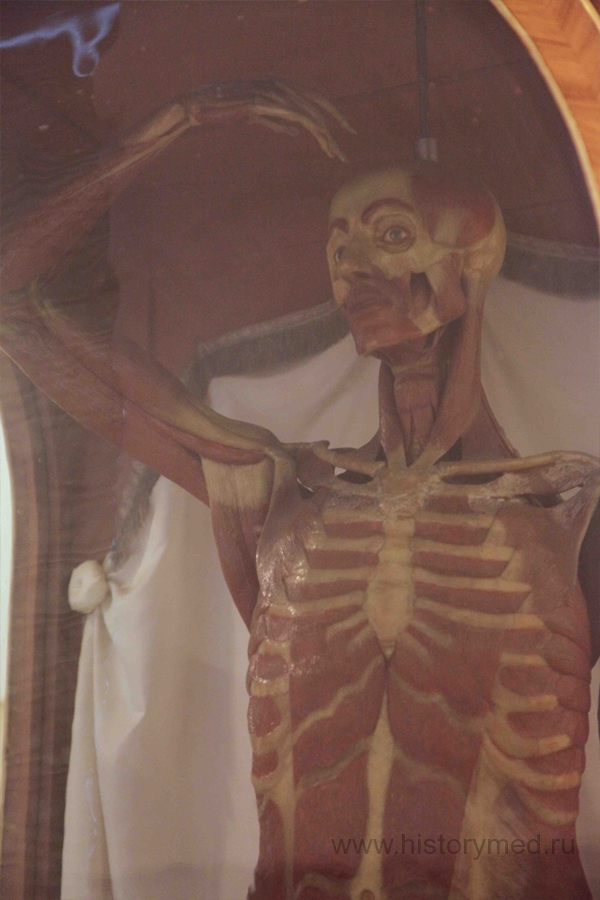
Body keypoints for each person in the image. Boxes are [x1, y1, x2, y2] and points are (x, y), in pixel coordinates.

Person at [1, 80, 599, 900]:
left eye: (392, 235)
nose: (353, 267)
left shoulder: (568, 510)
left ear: (470, 265)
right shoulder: (283, 488)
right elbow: (12, 303)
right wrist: (174, 122)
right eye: (339, 247)